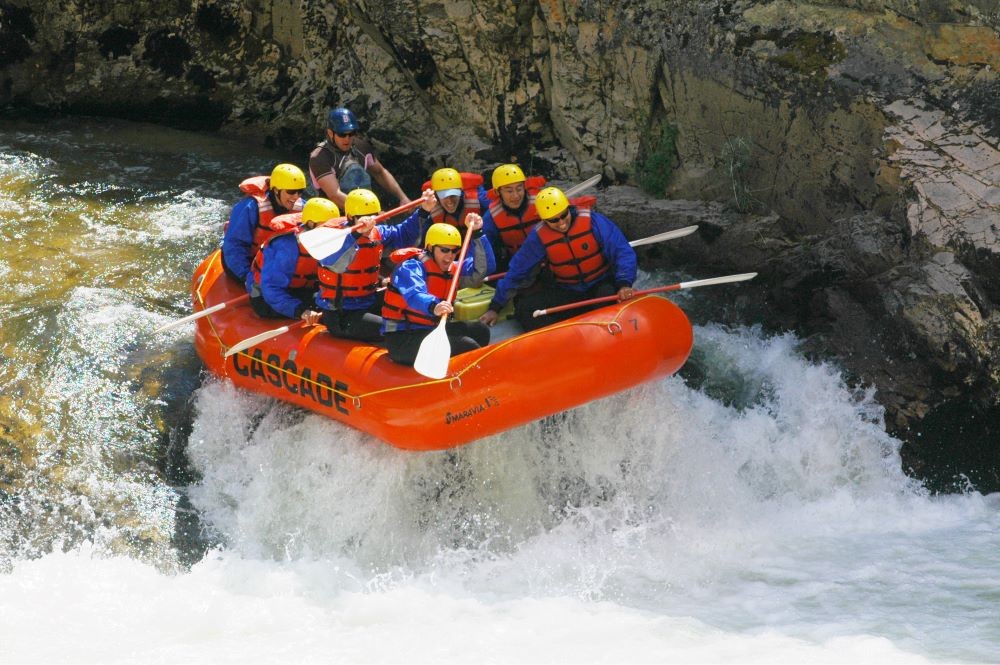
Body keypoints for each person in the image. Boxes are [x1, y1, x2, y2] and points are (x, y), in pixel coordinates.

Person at [480, 186, 637, 331]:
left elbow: (622, 252)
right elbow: (517, 271)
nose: (561, 223)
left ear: (569, 208)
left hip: (601, 285)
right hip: (569, 291)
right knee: (525, 309)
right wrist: (496, 307)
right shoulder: (539, 237)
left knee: (607, 295)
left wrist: (624, 283)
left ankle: (603, 329)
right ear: (543, 219)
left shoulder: (594, 222)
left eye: (563, 215)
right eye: (554, 220)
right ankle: (563, 338)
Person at [314, 187, 435, 342]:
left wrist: (423, 211)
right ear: (351, 217)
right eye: (363, 218)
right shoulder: (336, 238)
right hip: (342, 314)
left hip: (367, 301)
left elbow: (402, 234)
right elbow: (334, 262)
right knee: (392, 328)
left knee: (413, 312)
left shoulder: (377, 232)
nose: (369, 223)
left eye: (373, 217)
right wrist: (356, 234)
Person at [381, 220, 496, 366]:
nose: (450, 256)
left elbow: (484, 268)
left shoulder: (451, 268)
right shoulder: (410, 267)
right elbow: (415, 295)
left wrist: (478, 233)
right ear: (430, 247)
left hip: (431, 329)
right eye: (444, 250)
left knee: (480, 330)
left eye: (454, 251)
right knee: (467, 346)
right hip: (403, 338)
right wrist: (434, 306)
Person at [245, 197, 340, 324]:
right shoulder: (287, 246)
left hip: (301, 288)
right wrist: (300, 311)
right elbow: (271, 288)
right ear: (311, 224)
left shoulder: (327, 240)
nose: (331, 232)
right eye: (327, 226)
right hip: (266, 297)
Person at [308, 107, 410, 209]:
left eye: (351, 133)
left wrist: (403, 197)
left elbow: (380, 172)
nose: (347, 139)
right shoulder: (319, 157)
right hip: (335, 215)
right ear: (331, 133)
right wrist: (369, 210)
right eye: (342, 134)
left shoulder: (361, 146)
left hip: (365, 210)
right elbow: (335, 195)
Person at [221, 163, 307, 283]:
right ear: (276, 190)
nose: (296, 197)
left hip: (275, 264)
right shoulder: (250, 207)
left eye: (300, 191)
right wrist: (248, 277)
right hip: (248, 263)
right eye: (291, 192)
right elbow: (235, 245)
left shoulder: (303, 207)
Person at [478, 163, 548, 268]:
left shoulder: (541, 202)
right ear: (498, 192)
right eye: (509, 191)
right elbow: (482, 249)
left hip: (548, 258)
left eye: (519, 189)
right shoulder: (492, 217)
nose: (515, 196)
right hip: (519, 264)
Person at [420, 167, 484, 240]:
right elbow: (419, 240)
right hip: (450, 250)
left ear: (460, 191)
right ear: (436, 196)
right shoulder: (430, 211)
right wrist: (423, 212)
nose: (449, 201)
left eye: (453, 195)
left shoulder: (480, 199)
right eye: (444, 196)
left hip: (477, 247)